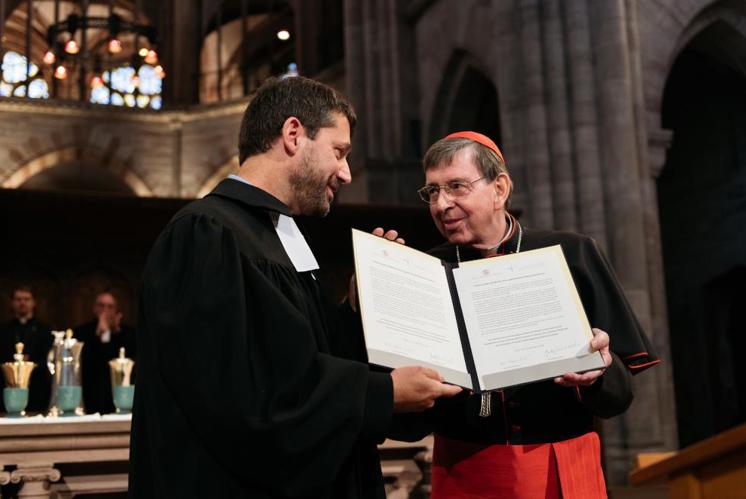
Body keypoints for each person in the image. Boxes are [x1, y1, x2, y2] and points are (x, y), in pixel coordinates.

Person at [128, 76, 460, 499]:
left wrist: (359, 305)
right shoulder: (206, 233)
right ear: (292, 134)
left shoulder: (277, 233)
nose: (345, 172)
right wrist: (384, 392)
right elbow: (242, 400)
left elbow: (303, 352)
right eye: (339, 152)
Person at [402, 131, 661, 498]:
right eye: (432, 191)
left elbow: (619, 397)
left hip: (562, 466)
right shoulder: (426, 270)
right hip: (465, 471)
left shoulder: (573, 254)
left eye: (457, 187)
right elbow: (407, 412)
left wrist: (599, 372)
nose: (442, 204)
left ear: (500, 188)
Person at [74, 291, 136, 414]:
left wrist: (115, 332)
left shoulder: (127, 332)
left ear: (116, 310)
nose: (105, 310)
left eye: (110, 306)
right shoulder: (82, 332)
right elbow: (84, 359)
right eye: (101, 305)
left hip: (119, 390)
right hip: (91, 390)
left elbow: (130, 358)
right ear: (94, 308)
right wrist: (99, 334)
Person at [0, 286, 52, 413]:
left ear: (33, 302)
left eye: (26, 299)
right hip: (9, 387)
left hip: (37, 388)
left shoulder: (44, 330)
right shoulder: (3, 330)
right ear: (12, 303)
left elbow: (49, 360)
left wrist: (28, 364)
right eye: (18, 299)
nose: (22, 303)